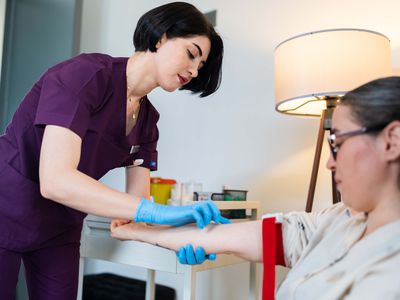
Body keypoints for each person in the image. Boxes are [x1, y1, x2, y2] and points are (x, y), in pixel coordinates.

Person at [0, 2, 230, 299]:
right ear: (161, 37)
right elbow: (55, 180)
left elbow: (134, 214)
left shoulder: (148, 123)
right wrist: (156, 212)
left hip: (60, 226)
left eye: (200, 66)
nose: (194, 70)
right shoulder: (85, 76)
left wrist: (182, 239)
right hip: (7, 206)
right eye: (191, 54)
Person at [111, 76, 400, 299]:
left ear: (392, 140)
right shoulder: (340, 220)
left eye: (337, 143)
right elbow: (229, 236)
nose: (330, 163)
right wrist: (137, 230)